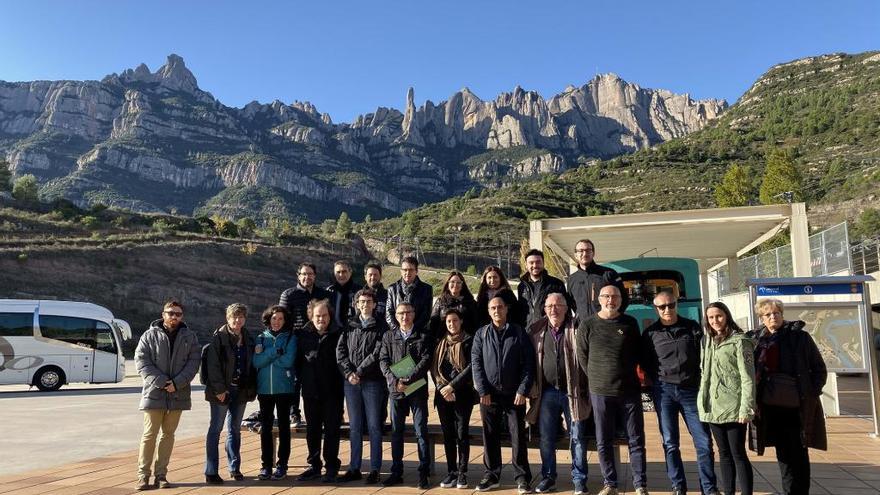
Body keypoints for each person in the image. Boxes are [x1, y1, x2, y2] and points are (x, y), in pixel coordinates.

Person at [641, 291, 718, 495]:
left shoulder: (691, 327)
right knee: (670, 442)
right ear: (655, 309)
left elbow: (705, 355)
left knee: (703, 441)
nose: (667, 309)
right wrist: (657, 380)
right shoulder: (650, 333)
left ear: (676, 304)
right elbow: (646, 362)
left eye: (671, 305)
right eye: (662, 307)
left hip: (691, 390)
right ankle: (678, 486)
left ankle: (709, 488)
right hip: (664, 391)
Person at [577, 285, 647, 495]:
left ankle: (640, 484)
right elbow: (582, 357)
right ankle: (610, 484)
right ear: (599, 299)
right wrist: (598, 376)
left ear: (620, 300)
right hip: (600, 391)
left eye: (615, 296)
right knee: (603, 440)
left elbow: (638, 353)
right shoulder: (587, 324)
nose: (611, 300)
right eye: (606, 296)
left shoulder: (630, 323)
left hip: (629, 391)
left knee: (636, 440)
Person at [751, 298, 827, 495]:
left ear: (782, 315)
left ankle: (800, 491)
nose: (773, 317)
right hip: (769, 406)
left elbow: (819, 368)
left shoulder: (799, 337)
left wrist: (811, 392)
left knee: (798, 453)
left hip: (795, 407)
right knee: (782, 454)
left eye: (776, 313)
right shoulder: (757, 339)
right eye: (768, 314)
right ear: (762, 318)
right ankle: (788, 491)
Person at [526, 293, 590, 495]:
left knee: (577, 436)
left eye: (558, 305)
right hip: (547, 393)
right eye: (549, 305)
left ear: (565, 308)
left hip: (573, 392)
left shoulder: (578, 328)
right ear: (544, 309)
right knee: (546, 438)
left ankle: (579, 479)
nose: (553, 309)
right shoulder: (536, 330)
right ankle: (548, 477)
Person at [471, 293, 535, 493]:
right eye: (493, 308)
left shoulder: (518, 332)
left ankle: (522, 476)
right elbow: (476, 364)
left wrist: (523, 390)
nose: (497, 311)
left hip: (514, 395)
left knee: (518, 436)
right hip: (488, 396)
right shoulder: (481, 334)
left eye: (500, 307)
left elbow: (529, 364)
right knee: (489, 435)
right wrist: (482, 389)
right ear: (489, 312)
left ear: (506, 309)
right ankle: (491, 475)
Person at [134, 299, 201, 490]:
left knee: (168, 435)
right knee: (149, 435)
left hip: (177, 394)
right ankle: (143, 476)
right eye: (170, 313)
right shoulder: (149, 336)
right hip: (154, 393)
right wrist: (162, 382)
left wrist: (177, 383)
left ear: (182, 316)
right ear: (163, 314)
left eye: (178, 314)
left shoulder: (190, 337)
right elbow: (141, 361)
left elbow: (193, 363)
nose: (174, 317)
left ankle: (161, 475)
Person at [699, 302, 756, 495]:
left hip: (734, 407)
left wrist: (746, 408)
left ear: (727, 316)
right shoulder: (707, 341)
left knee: (738, 454)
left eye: (719, 316)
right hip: (713, 408)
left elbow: (748, 378)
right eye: (711, 317)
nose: (715, 320)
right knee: (723, 454)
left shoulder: (740, 341)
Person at [379, 301, 434, 488]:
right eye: (401, 313)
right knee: (397, 432)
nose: (405, 316)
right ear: (396, 316)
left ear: (414, 313)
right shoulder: (388, 336)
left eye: (408, 312)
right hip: (396, 391)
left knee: (421, 431)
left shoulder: (423, 336)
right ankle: (396, 472)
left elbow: (426, 360)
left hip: (417, 390)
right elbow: (383, 360)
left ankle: (424, 473)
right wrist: (395, 381)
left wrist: (409, 379)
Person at [336, 288, 387, 484]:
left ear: (374, 304)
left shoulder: (381, 327)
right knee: (355, 427)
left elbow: (377, 352)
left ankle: (375, 469)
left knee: (374, 426)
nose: (365, 304)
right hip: (351, 383)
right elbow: (340, 351)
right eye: (362, 302)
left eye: (368, 301)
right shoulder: (349, 325)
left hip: (372, 381)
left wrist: (360, 371)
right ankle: (354, 467)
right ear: (356, 304)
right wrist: (349, 373)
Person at [204, 303, 258, 484]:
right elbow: (213, 366)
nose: (237, 320)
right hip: (221, 391)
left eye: (241, 317)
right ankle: (211, 471)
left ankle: (234, 468)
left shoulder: (249, 338)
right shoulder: (218, 338)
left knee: (235, 430)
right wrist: (219, 390)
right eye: (234, 317)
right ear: (227, 318)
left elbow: (251, 365)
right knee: (215, 430)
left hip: (240, 391)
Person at [297, 299, 345, 483]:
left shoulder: (338, 333)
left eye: (324, 315)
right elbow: (297, 362)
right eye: (318, 316)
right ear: (311, 316)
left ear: (329, 316)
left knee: (332, 430)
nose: (321, 319)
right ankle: (314, 465)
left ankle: (331, 466)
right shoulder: (302, 335)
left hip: (332, 392)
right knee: (313, 430)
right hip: (310, 391)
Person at [279, 262, 330, 427]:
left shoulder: (323, 294)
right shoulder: (289, 295)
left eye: (310, 274)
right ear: (298, 275)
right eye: (304, 274)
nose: (307, 277)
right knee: (295, 380)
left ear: (315, 276)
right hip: (295, 342)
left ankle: (321, 413)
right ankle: (294, 413)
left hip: (319, 342)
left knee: (319, 377)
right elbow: (282, 320)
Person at [431, 307, 476, 489]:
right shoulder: (441, 342)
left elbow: (471, 367)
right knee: (448, 435)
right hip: (443, 396)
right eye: (449, 321)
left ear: (461, 321)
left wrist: (452, 386)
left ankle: (462, 473)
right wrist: (443, 387)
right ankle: (451, 472)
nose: (452, 324)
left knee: (461, 434)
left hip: (462, 394)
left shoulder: (469, 341)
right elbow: (434, 369)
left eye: (455, 320)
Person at [253, 305, 297, 481]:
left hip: (284, 389)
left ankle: (282, 465)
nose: (276, 321)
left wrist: (267, 357)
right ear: (268, 320)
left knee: (284, 428)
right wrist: (275, 352)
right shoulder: (260, 338)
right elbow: (256, 362)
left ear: (285, 320)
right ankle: (266, 465)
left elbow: (289, 361)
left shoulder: (291, 338)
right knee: (266, 428)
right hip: (264, 390)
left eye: (280, 318)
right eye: (273, 318)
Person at [566, 239, 628, 318]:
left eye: (588, 250)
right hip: (583, 327)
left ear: (593, 253)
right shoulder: (571, 280)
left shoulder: (609, 274)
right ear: (575, 255)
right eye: (581, 251)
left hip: (606, 325)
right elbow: (571, 304)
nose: (585, 254)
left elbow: (624, 299)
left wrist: (613, 317)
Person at [518, 249, 575, 328]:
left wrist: (567, 328)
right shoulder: (522, 286)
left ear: (543, 263)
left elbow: (566, 309)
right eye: (531, 263)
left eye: (538, 262)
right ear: (526, 265)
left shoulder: (556, 284)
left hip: (549, 330)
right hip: (527, 331)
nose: (535, 265)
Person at [386, 256, 433, 332]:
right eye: (405, 270)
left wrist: (412, 331)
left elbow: (425, 315)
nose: (407, 273)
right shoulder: (392, 289)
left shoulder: (426, 289)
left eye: (411, 270)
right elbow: (389, 313)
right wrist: (398, 331)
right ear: (401, 271)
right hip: (397, 334)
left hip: (418, 334)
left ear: (416, 271)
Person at [430, 270, 478, 338]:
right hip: (444, 341)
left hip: (466, 341)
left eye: (458, 282)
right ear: (448, 284)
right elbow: (433, 324)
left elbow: (475, 324)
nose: (455, 285)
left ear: (462, 285)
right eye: (452, 282)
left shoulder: (470, 302)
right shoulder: (440, 302)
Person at [327, 260, 362, 328]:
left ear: (350, 272)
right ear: (334, 274)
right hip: (334, 331)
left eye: (344, 271)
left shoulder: (359, 291)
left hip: (354, 330)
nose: (341, 275)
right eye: (338, 272)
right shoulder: (329, 291)